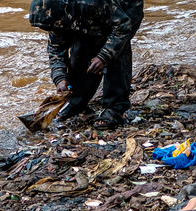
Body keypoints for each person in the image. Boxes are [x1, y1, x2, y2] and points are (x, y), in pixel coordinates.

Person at [29, 0, 144, 130]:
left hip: (126, 9)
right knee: (81, 50)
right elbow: (56, 49)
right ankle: (77, 102)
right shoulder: (55, 15)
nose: (54, 30)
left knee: (117, 52)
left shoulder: (90, 4)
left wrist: (104, 56)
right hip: (86, 15)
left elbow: (123, 26)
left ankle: (114, 108)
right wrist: (60, 78)